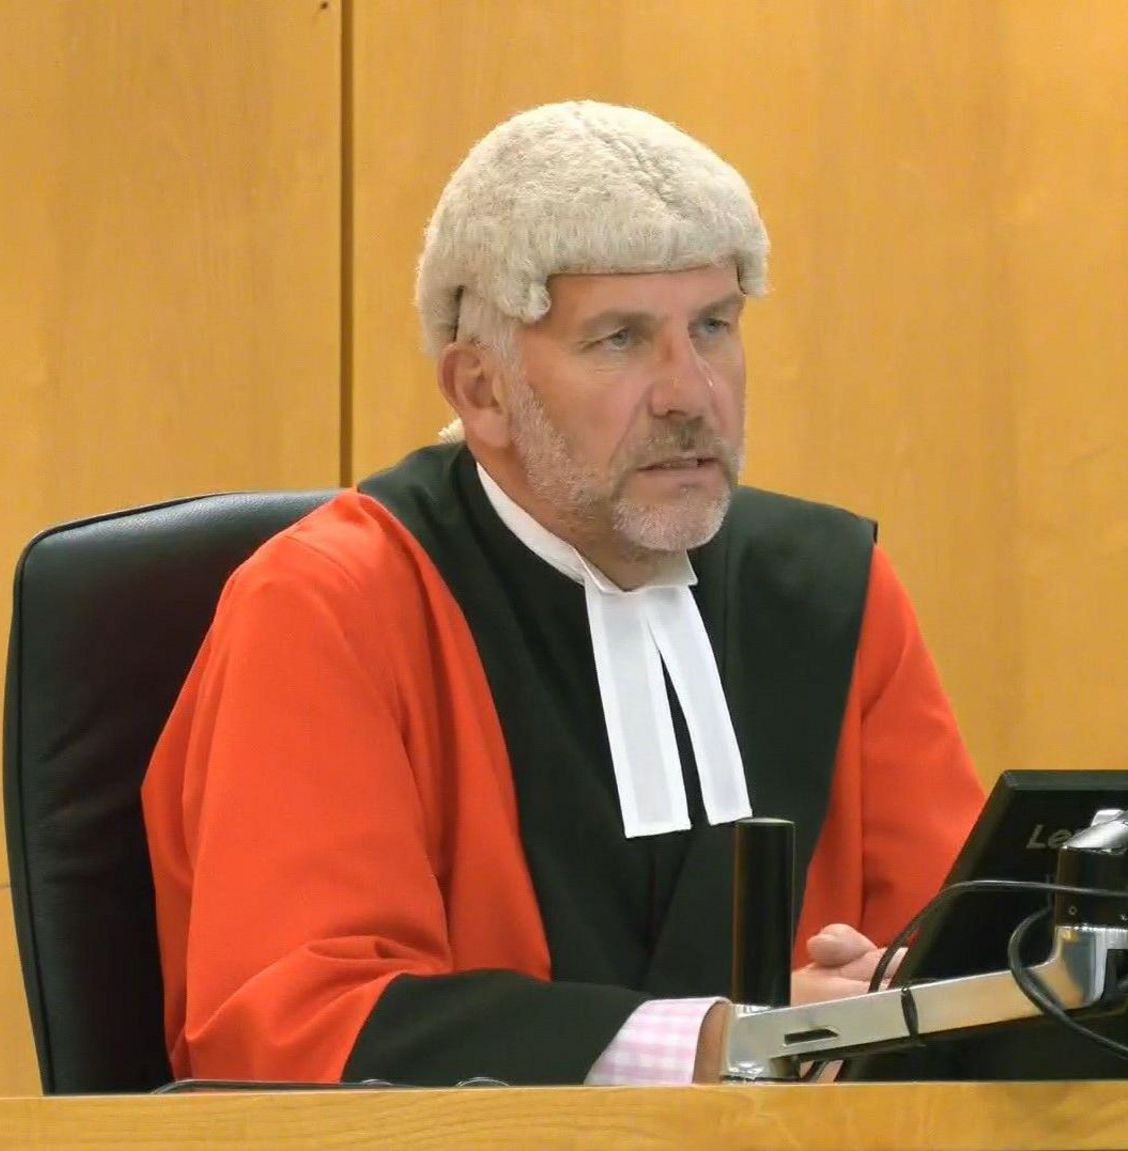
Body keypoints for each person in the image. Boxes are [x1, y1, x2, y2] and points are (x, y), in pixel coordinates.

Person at [141, 100, 985, 1087]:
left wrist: (911, 992)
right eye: (620, 340)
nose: (688, 392)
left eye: (711, 326)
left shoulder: (833, 589)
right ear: (481, 392)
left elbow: (970, 954)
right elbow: (296, 1022)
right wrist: (720, 1044)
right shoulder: (330, 603)